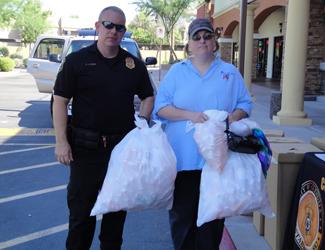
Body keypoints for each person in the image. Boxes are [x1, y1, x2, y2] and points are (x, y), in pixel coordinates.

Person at [52, 6, 154, 250]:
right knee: (80, 218)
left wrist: (142, 123)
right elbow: (60, 100)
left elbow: (148, 96)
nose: (113, 31)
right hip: (84, 150)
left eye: (120, 27)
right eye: (108, 25)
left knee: (115, 218)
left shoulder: (133, 65)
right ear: (98, 26)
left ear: (124, 32)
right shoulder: (77, 61)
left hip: (121, 152)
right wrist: (61, 141)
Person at [153, 18, 252, 250]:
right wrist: (190, 115)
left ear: (215, 41)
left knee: (213, 222)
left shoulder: (229, 72)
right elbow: (161, 108)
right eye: (196, 37)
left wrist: (230, 117)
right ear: (188, 43)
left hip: (217, 162)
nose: (202, 41)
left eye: (207, 36)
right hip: (183, 161)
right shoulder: (177, 72)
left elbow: (245, 104)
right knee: (183, 220)